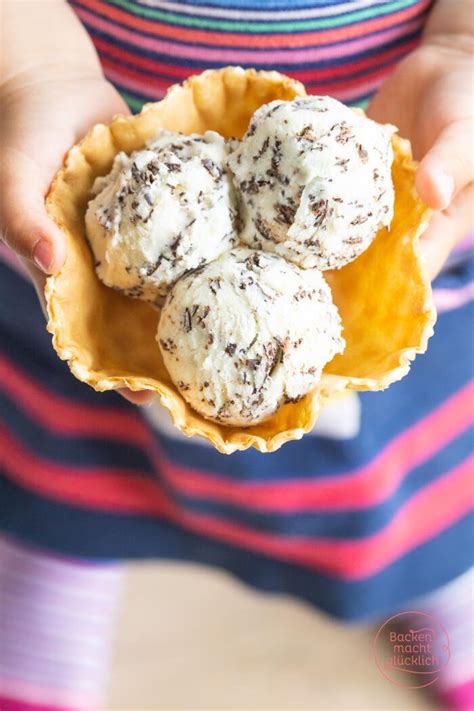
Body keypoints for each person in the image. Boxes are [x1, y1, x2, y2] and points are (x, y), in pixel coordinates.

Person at [0, 0, 472, 708]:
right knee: (71, 447)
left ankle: (438, 575)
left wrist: (464, 44)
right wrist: (28, 70)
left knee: (411, 481)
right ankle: (60, 563)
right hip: (70, 158)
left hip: (414, 182)